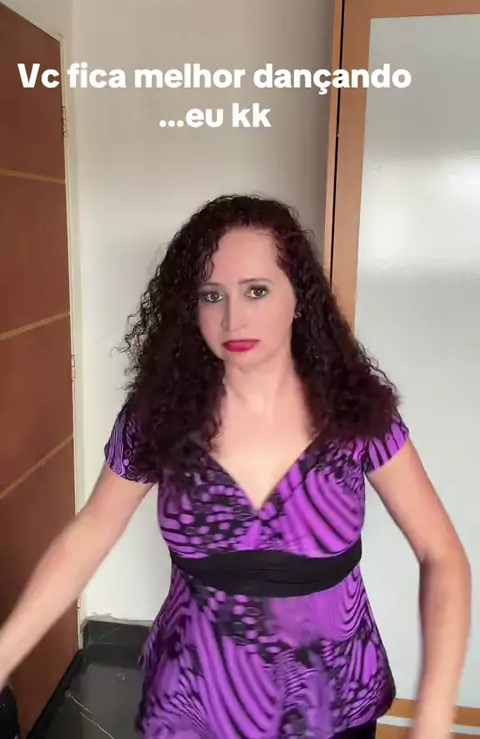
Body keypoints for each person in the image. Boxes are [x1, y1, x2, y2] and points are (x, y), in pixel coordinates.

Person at [0, 194, 471, 738]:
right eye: (211, 295)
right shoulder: (159, 417)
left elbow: (442, 554)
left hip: (331, 701)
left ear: (300, 298)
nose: (232, 318)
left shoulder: (357, 414)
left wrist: (434, 715)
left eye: (256, 291)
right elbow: (89, 535)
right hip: (192, 704)